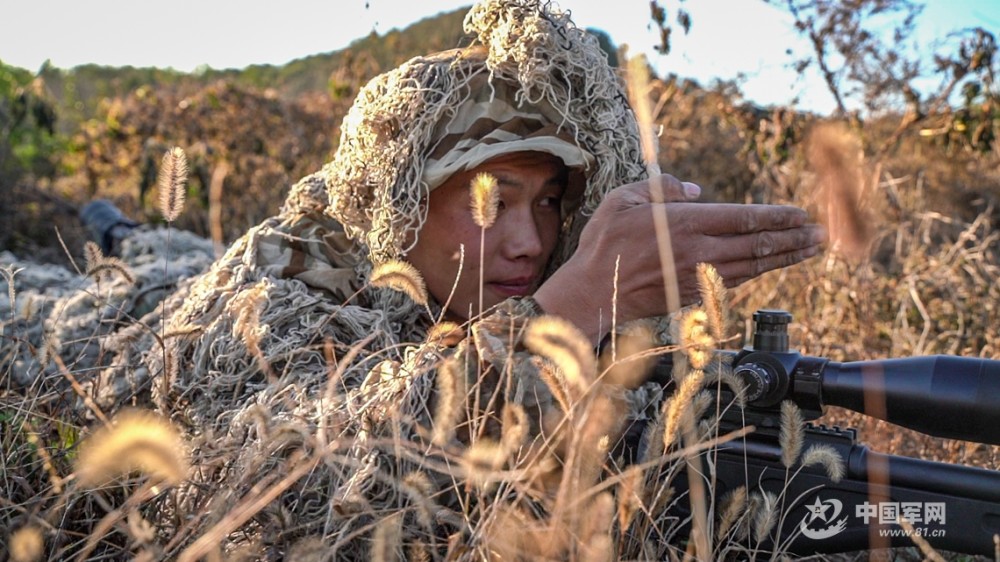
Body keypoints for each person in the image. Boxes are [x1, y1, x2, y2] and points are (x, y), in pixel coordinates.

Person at [2, 0, 823, 558]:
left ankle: (130, 229)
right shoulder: (282, 279)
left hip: (188, 266)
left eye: (546, 201)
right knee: (82, 278)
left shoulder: (482, 284)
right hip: (127, 319)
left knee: (163, 241)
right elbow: (313, 478)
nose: (530, 242)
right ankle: (114, 233)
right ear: (399, 201)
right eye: (489, 198)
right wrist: (568, 309)